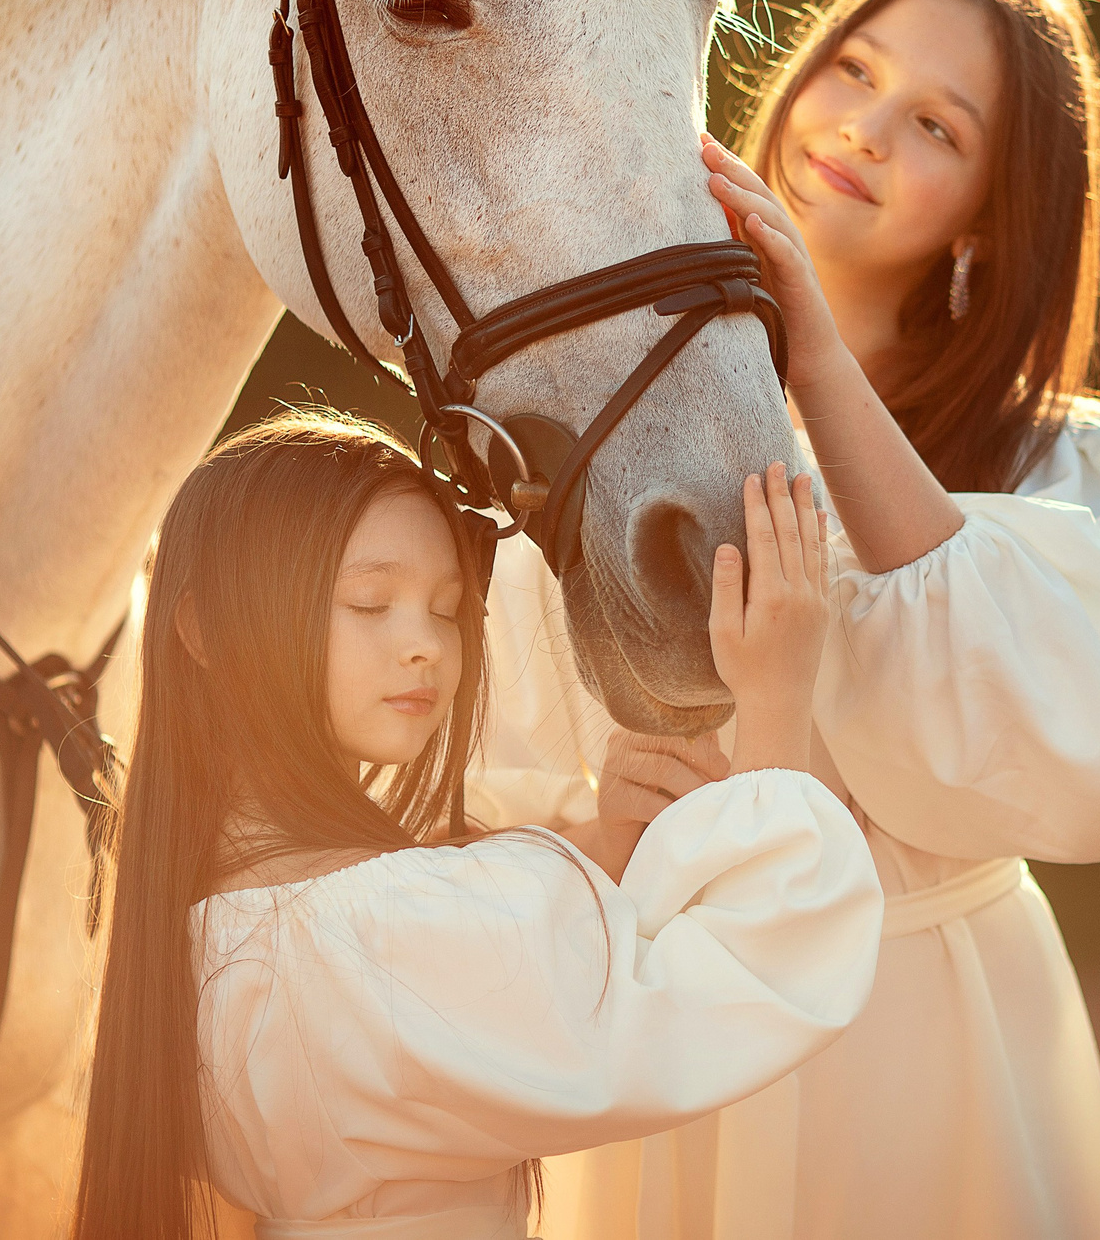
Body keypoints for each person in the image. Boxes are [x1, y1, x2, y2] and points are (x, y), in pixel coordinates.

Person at [471, 0, 1100, 1239]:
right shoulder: (620, 416)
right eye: (852, 69)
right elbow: (483, 740)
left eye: (933, 123)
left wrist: (809, 344)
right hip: (673, 1021)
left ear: (991, 207)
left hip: (918, 1037)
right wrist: (592, 812)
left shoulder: (1068, 462)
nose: (862, 127)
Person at [72, 408, 882, 1240]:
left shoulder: (201, 925)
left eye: (447, 606)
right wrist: (778, 699)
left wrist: (605, 857)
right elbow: (735, 990)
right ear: (204, 628)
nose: (424, 641)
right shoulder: (373, 928)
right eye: (370, 601)